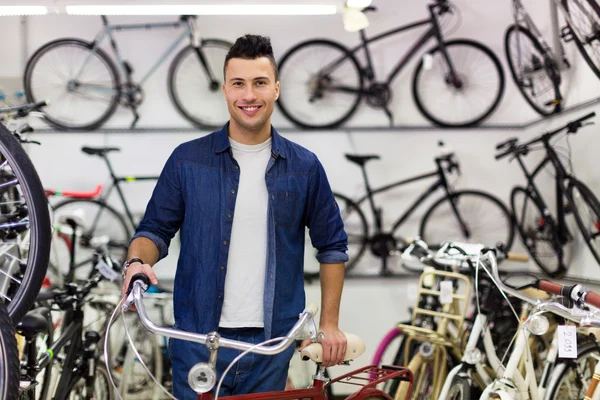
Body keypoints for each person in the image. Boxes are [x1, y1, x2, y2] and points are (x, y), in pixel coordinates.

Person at [121, 34, 348, 398]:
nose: (249, 95)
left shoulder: (304, 167)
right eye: (238, 84)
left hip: (271, 344)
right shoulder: (187, 161)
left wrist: (330, 325)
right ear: (225, 89)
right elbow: (154, 230)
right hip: (196, 339)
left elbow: (332, 246)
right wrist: (136, 262)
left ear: (275, 88)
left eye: (259, 83)